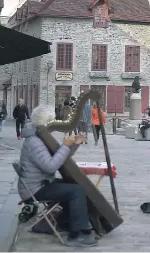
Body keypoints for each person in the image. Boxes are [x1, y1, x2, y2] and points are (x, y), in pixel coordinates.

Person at [17, 105, 96, 247]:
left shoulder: (38, 137)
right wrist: (65, 146)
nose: (55, 125)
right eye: (53, 122)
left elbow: (61, 158)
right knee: (76, 191)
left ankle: (67, 223)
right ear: (47, 123)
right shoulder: (35, 142)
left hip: (40, 183)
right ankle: (76, 235)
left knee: (74, 187)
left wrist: (74, 145)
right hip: (36, 189)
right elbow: (52, 165)